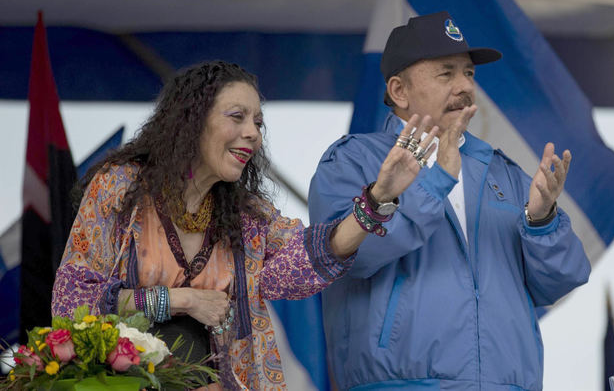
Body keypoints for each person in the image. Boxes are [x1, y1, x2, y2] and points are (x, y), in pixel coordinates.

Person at [51, 60, 437, 390]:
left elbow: (310, 259)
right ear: (191, 120)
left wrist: (377, 198)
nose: (253, 132)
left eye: (257, 121)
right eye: (236, 117)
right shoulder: (121, 187)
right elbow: (72, 302)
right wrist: (179, 300)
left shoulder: (247, 216)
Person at [308, 11, 591, 391]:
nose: (465, 86)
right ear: (399, 91)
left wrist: (542, 222)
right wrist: (437, 178)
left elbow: (562, 280)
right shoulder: (351, 161)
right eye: (446, 73)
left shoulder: (501, 171)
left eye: (469, 74)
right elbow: (349, 258)